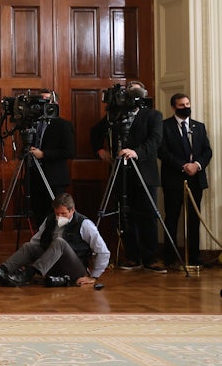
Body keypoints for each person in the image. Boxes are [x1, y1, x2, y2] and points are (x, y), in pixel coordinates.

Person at [90, 80, 165, 273]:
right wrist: (100, 149)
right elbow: (95, 132)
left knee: (148, 215)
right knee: (125, 215)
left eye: (136, 89)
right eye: (129, 89)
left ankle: (150, 257)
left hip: (145, 173)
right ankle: (132, 257)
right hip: (120, 173)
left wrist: (136, 152)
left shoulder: (153, 115)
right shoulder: (114, 115)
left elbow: (155, 140)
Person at [0, 192, 109, 287]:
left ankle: (27, 275)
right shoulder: (49, 219)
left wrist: (94, 276)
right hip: (52, 264)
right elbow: (36, 242)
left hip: (75, 267)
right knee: (29, 246)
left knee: (59, 242)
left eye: (63, 214)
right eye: (57, 213)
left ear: (72, 210)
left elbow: (103, 251)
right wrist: (26, 259)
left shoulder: (85, 224)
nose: (59, 217)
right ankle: (2, 271)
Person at [158, 92, 212, 267]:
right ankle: (170, 258)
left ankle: (195, 258)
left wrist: (196, 164)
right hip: (173, 180)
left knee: (194, 220)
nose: (186, 107)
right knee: (172, 218)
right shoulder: (164, 126)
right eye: (182, 105)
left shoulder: (199, 127)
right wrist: (183, 166)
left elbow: (207, 151)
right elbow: (162, 152)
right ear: (173, 107)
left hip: (196, 179)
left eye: (188, 104)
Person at [24, 90, 76, 229]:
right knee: (38, 214)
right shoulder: (32, 124)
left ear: (55, 104)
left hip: (55, 179)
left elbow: (70, 152)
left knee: (58, 216)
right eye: (41, 100)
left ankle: (58, 245)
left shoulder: (63, 125)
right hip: (35, 178)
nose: (43, 104)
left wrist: (44, 154)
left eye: (47, 100)